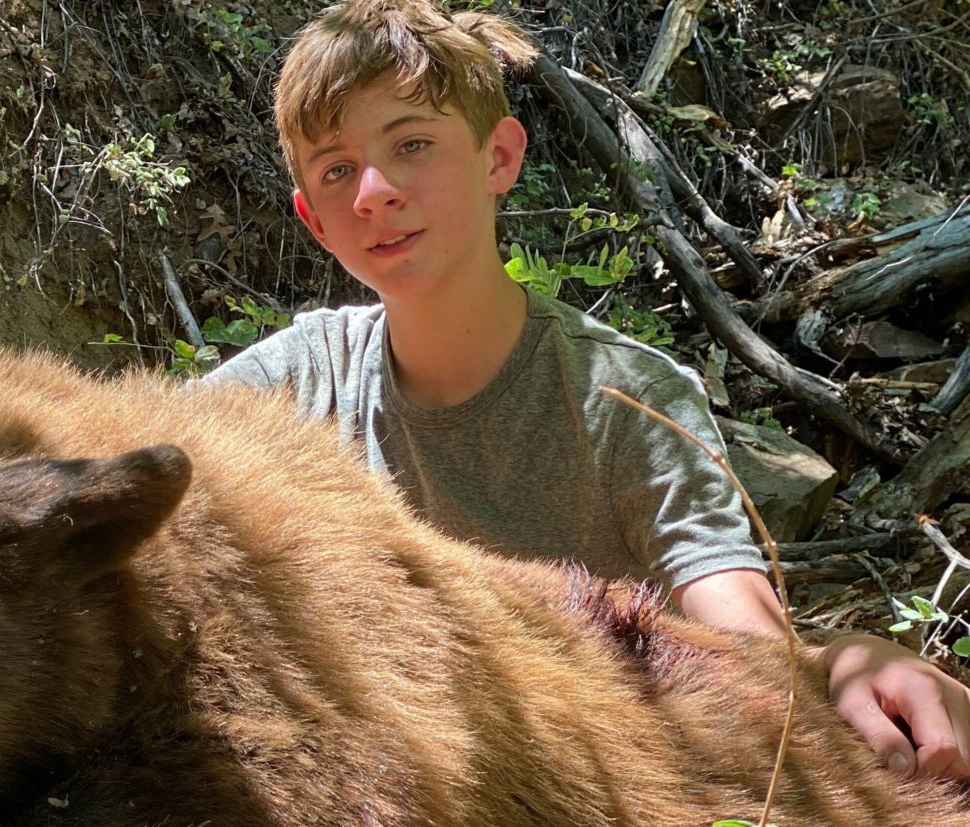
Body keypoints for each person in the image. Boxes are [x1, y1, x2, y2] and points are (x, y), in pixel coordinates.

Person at [205, 0, 970, 781]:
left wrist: (835, 666)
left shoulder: (628, 397)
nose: (373, 190)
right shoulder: (286, 389)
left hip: (599, 809)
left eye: (413, 144)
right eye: (336, 169)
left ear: (499, 158)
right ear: (314, 219)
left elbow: (740, 626)